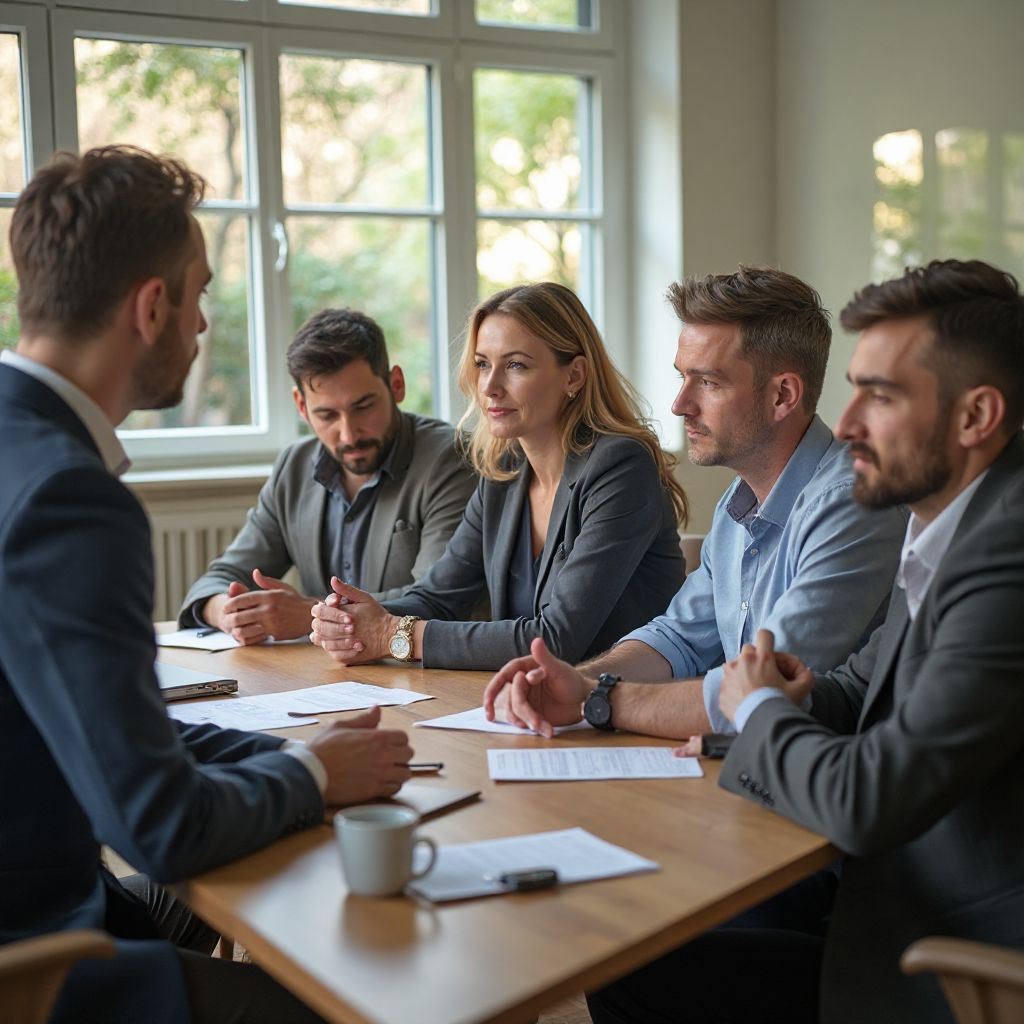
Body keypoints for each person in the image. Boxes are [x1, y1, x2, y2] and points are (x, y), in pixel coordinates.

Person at [0, 145, 414, 1024]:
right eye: (200, 295)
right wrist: (308, 772)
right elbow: (161, 828)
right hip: (38, 959)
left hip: (53, 903)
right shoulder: (68, 498)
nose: (201, 326)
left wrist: (302, 757)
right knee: (379, 996)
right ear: (152, 307)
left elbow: (105, 732)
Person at [587, 258, 1024, 1024]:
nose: (847, 426)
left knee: (634, 960)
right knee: (634, 949)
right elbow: (859, 688)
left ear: (975, 418)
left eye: (879, 397)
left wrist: (753, 711)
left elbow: (865, 803)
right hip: (894, 891)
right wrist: (752, 712)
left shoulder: (1006, 556)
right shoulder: (953, 526)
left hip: (955, 960)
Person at [483, 266, 906, 740]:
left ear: (782, 394)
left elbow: (760, 695)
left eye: (707, 382)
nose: (680, 404)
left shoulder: (853, 501)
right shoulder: (737, 504)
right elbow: (677, 637)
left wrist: (598, 699)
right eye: (682, 377)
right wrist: (579, 681)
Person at [310, 281, 688, 671]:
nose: (489, 387)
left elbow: (556, 639)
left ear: (574, 376)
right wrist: (349, 617)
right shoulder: (504, 471)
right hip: (535, 706)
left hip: (624, 708)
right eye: (482, 364)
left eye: (516, 365)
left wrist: (390, 634)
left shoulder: (621, 467)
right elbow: (439, 596)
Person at [178, 307, 476, 645]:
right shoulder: (294, 467)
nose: (349, 434)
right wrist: (229, 612)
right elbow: (221, 577)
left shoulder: (450, 459)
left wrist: (309, 615)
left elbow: (439, 599)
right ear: (302, 408)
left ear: (396, 385)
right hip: (327, 681)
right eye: (327, 415)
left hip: (425, 676)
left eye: (364, 407)